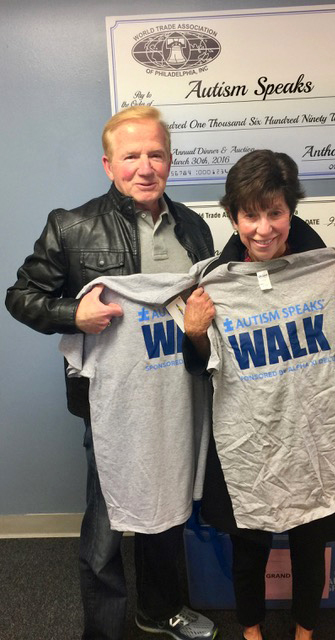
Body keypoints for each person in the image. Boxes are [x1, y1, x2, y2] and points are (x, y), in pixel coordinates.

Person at [5, 106, 217, 640]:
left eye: (155, 154)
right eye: (131, 157)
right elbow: (20, 296)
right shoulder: (71, 226)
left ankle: (160, 609)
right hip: (112, 401)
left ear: (170, 160)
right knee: (106, 523)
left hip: (177, 392)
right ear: (109, 164)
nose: (144, 167)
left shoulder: (194, 228)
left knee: (168, 511)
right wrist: (71, 315)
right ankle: (102, 630)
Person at [183, 150, 335, 640]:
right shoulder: (216, 284)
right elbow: (202, 364)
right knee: (249, 545)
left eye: (275, 212)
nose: (263, 228)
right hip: (247, 438)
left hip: (311, 432)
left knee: (310, 541)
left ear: (291, 211)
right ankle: (252, 631)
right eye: (250, 215)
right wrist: (195, 332)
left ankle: (306, 631)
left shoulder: (328, 269)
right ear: (234, 218)